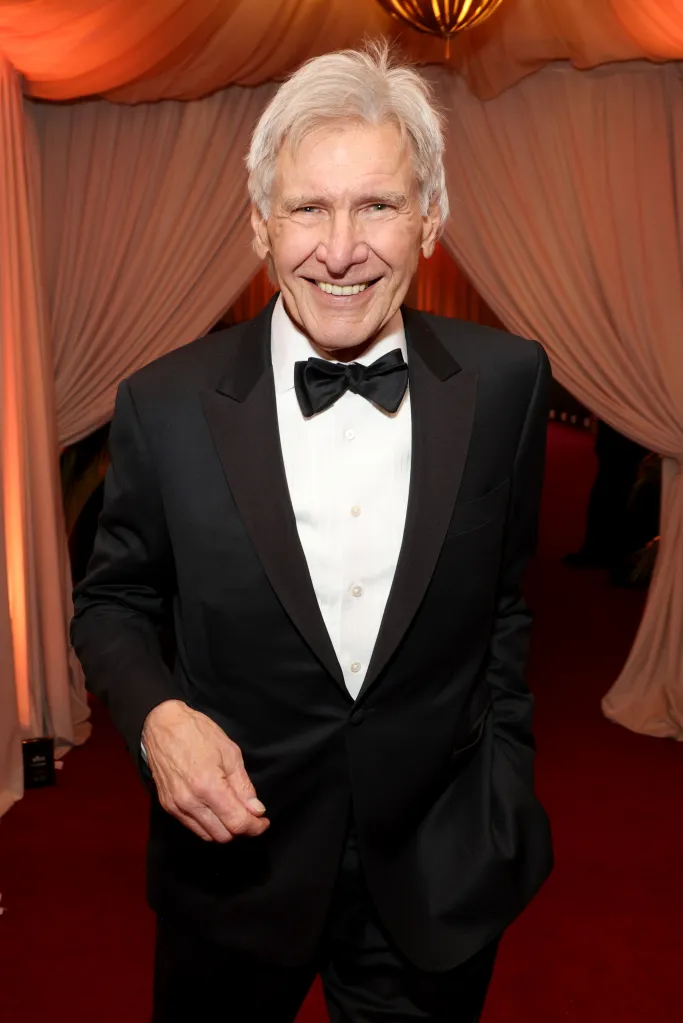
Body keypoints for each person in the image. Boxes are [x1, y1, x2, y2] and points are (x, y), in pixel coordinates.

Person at [70, 43, 553, 1023]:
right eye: (307, 208)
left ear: (429, 220)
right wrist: (158, 719)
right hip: (232, 875)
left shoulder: (506, 384)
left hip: (434, 870)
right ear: (259, 225)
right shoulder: (164, 405)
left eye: (375, 205)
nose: (340, 250)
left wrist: (501, 789)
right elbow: (111, 602)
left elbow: (502, 602)